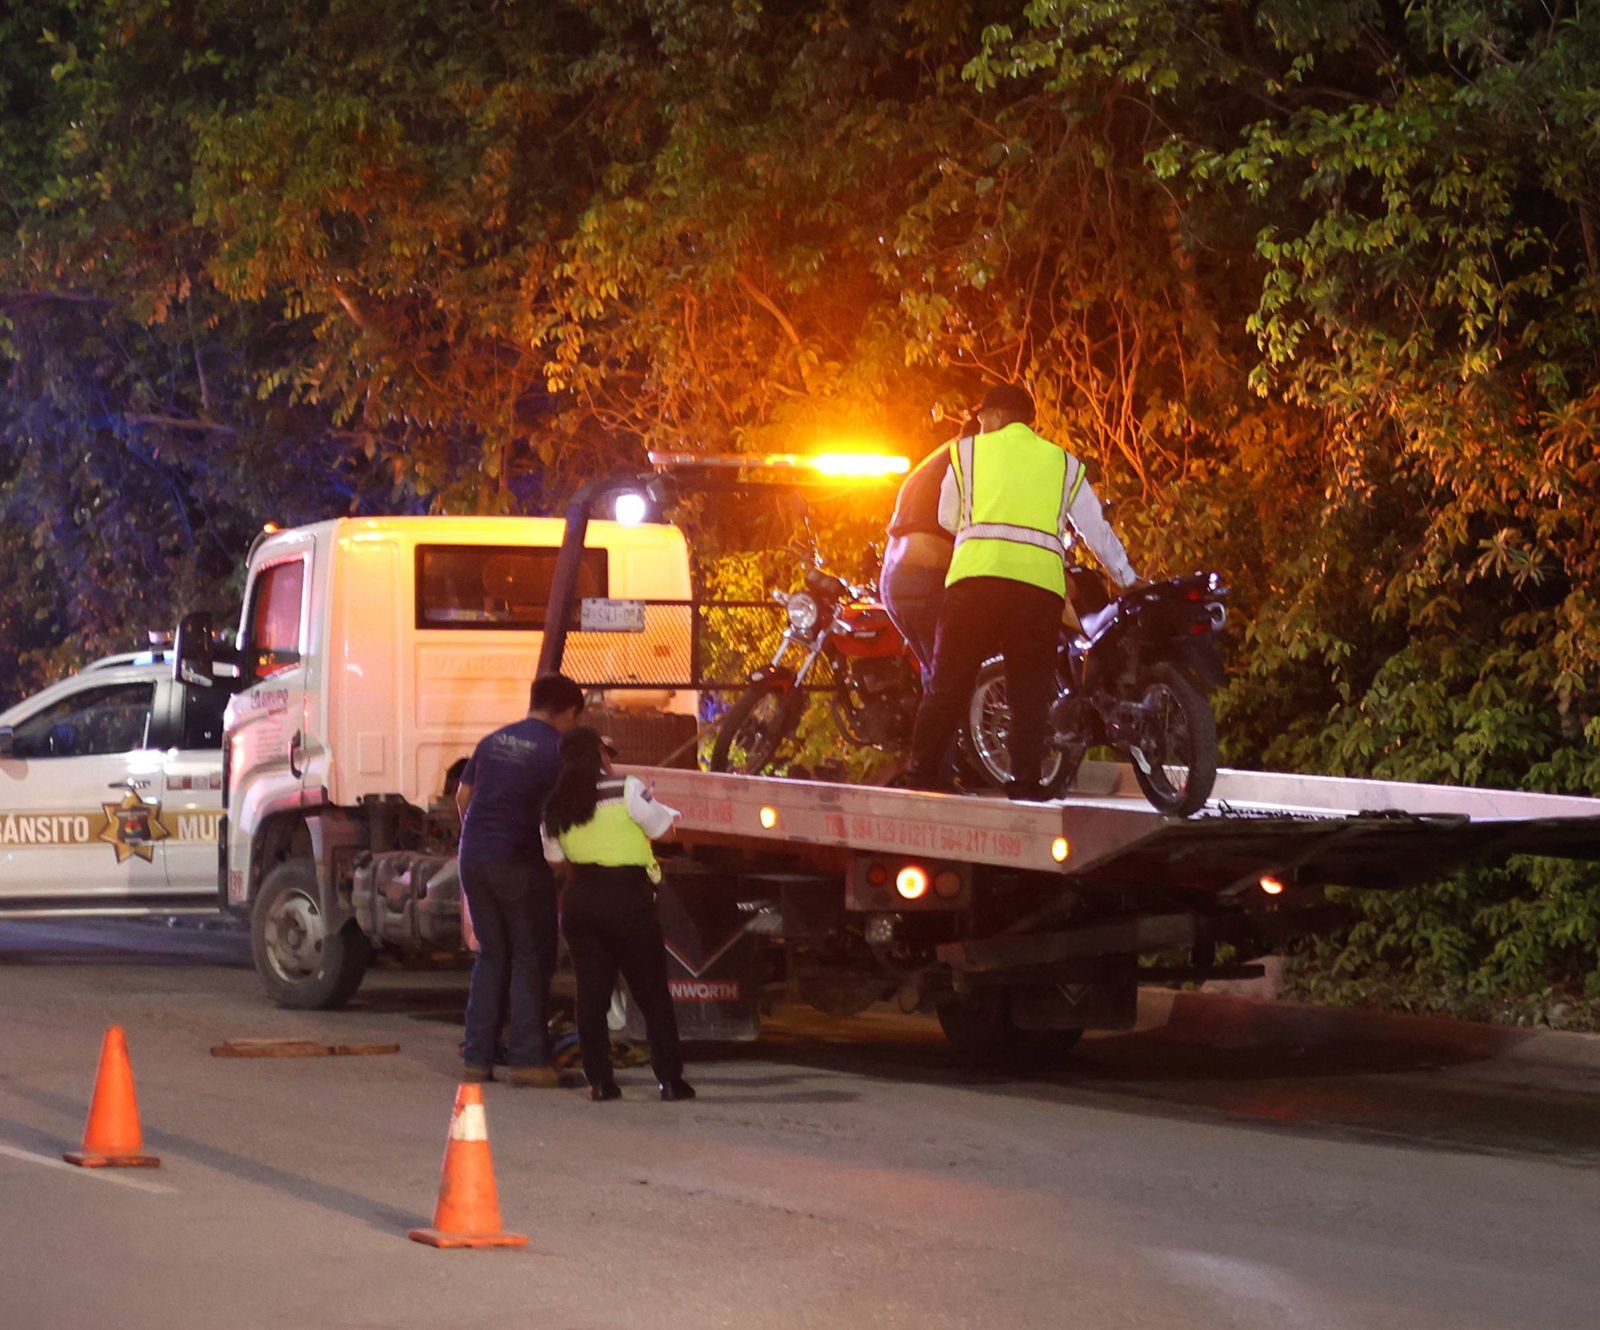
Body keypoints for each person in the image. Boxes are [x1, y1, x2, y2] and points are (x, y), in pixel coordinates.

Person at [902, 383, 1139, 800]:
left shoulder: (967, 453)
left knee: (949, 682)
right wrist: (1127, 576)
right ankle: (1025, 783)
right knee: (1029, 691)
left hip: (975, 582)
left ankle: (920, 773)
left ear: (995, 417)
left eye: (982, 418)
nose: (980, 425)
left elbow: (946, 517)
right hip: (1037, 590)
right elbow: (1095, 530)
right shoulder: (1061, 462)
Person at [542, 726, 693, 1103]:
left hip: (580, 900)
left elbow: (554, 857)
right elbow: (663, 830)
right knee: (652, 994)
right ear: (598, 753)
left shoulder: (556, 802)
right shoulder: (626, 788)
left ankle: (600, 1083)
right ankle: (670, 1081)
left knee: (591, 995)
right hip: (626, 900)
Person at [454, 672, 586, 1085]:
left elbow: (463, 797)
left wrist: (480, 836)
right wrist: (561, 861)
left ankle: (478, 1059)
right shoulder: (558, 749)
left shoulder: (492, 741)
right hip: (518, 862)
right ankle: (529, 1062)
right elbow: (562, 811)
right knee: (531, 956)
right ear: (570, 712)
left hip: (474, 857)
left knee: (492, 955)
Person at [881, 439, 957, 688]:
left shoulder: (936, 460)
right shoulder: (971, 459)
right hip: (927, 577)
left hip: (894, 580)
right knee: (955, 676)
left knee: (935, 673)